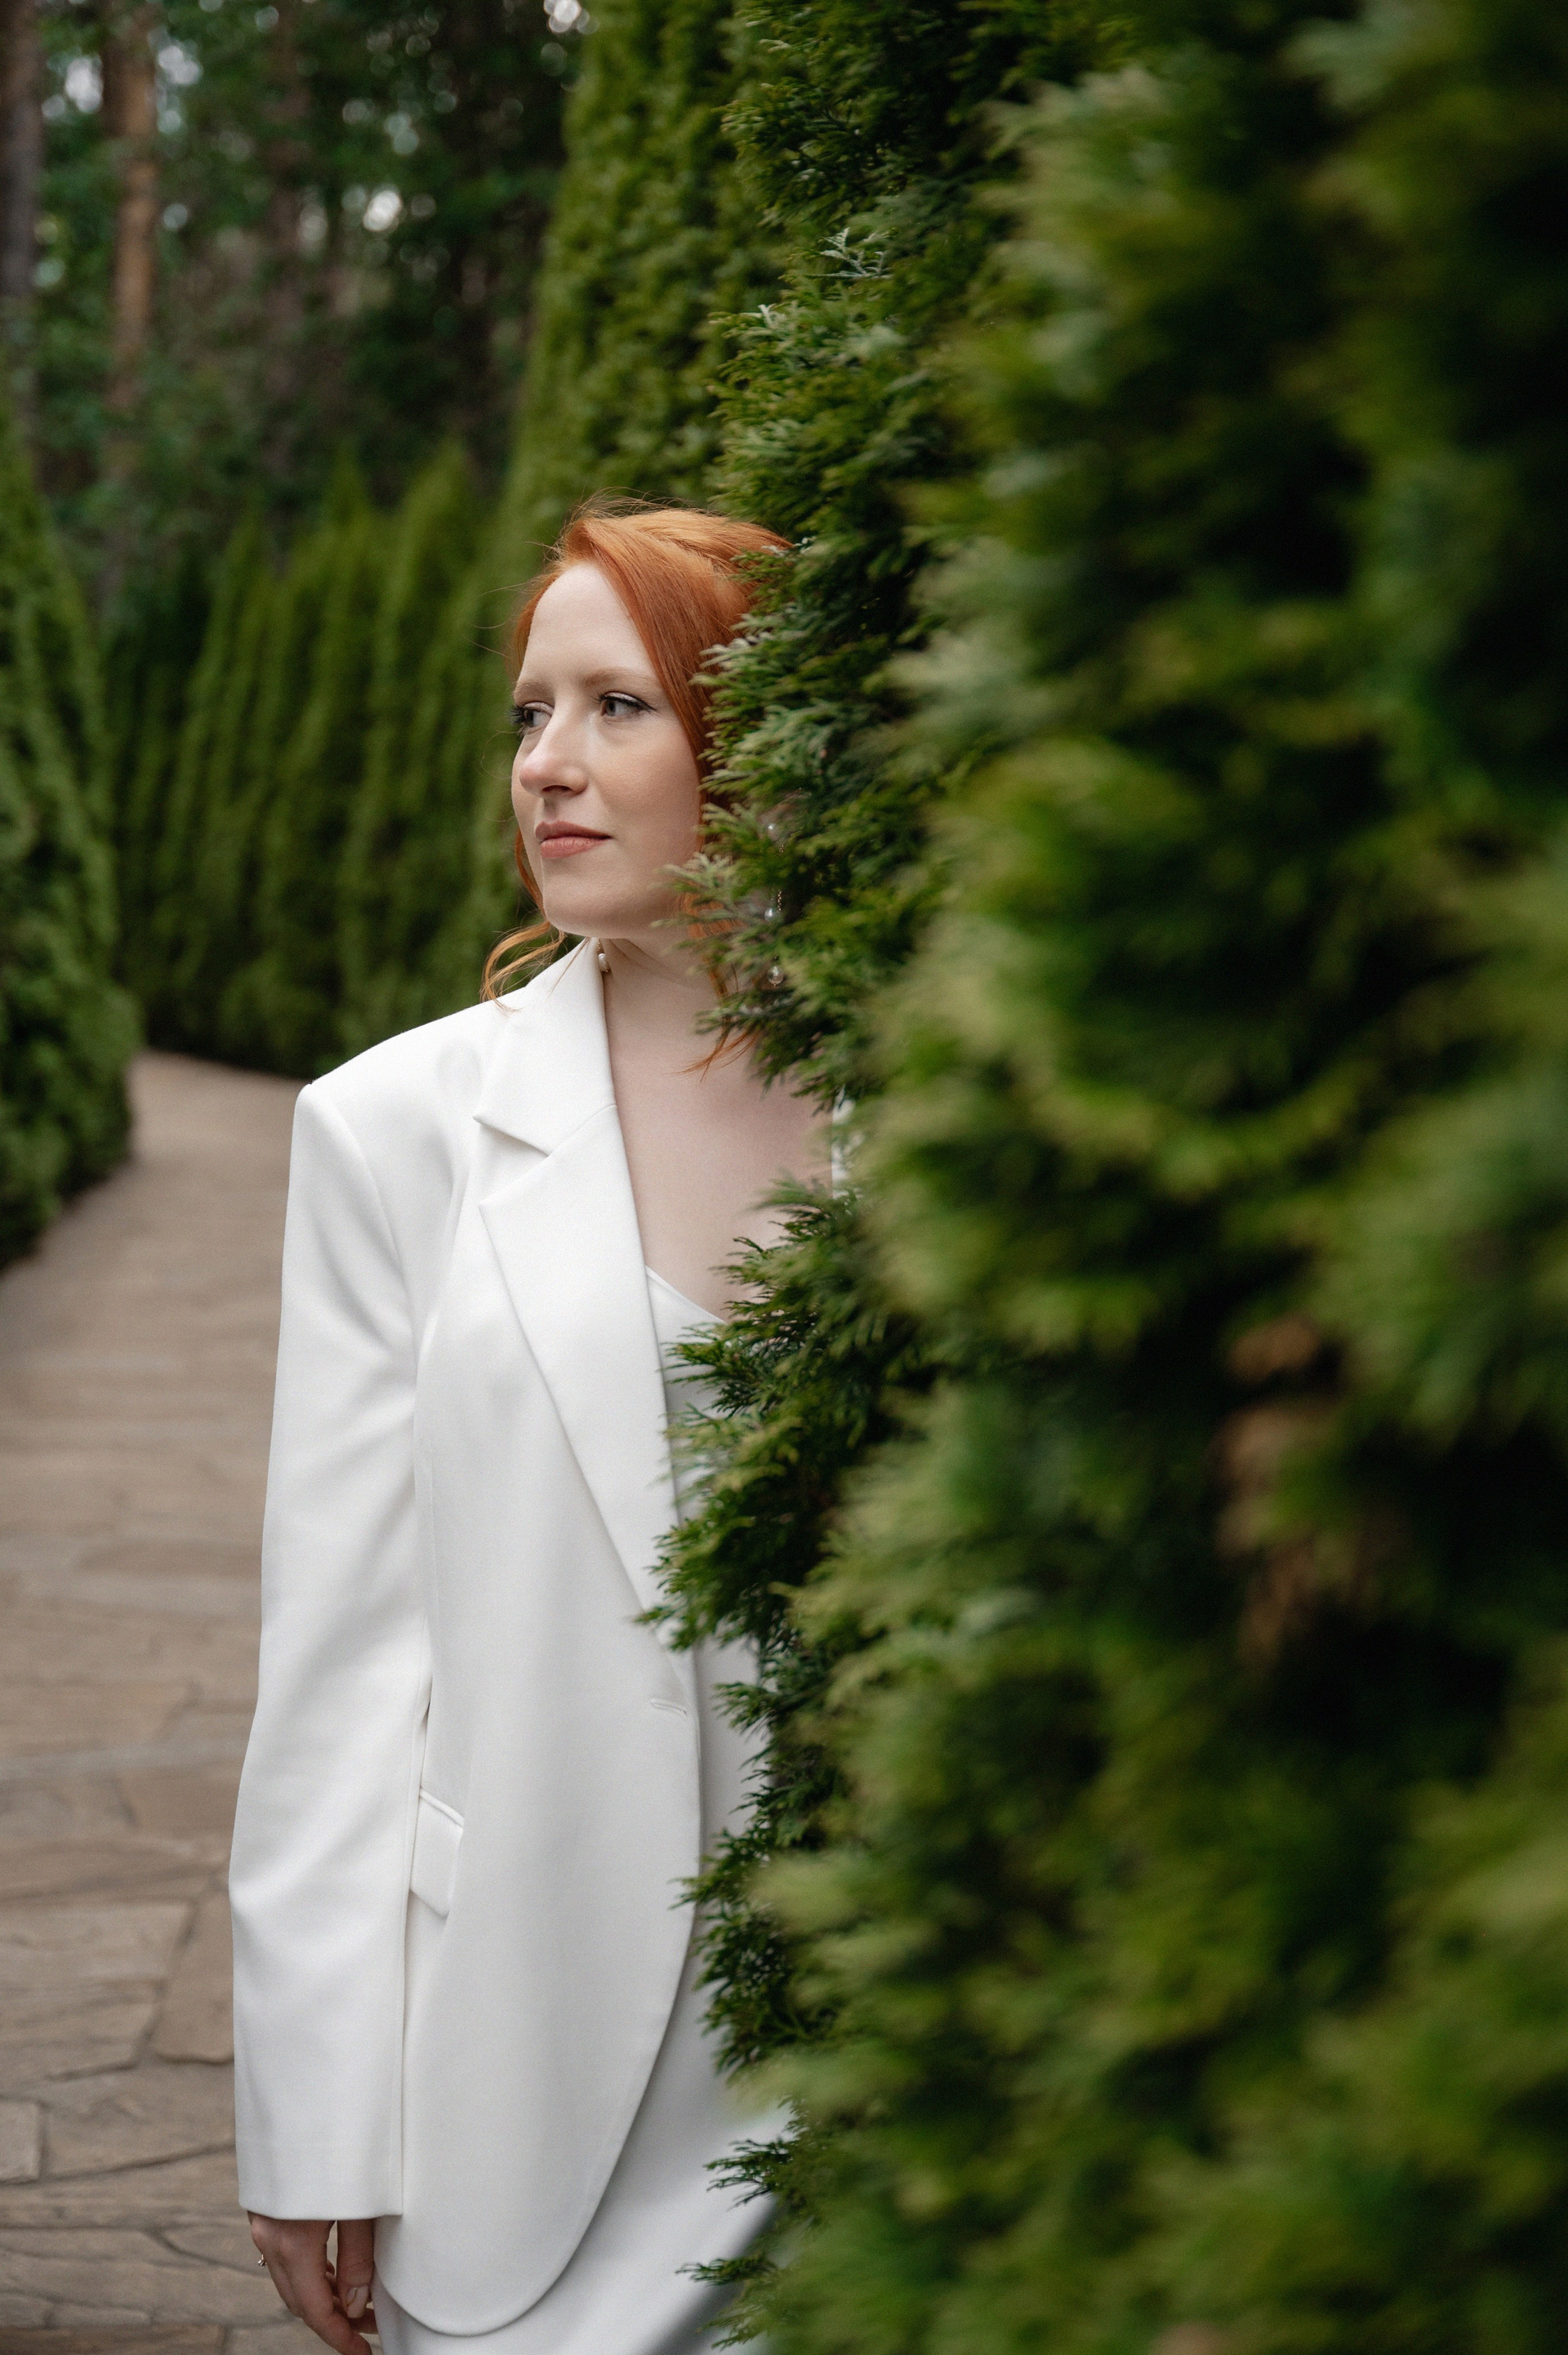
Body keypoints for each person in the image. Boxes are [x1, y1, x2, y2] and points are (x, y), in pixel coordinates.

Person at [231, 501, 818, 2355]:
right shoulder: (390, 1131)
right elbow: (343, 1661)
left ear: (761, 739)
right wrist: (314, 2116)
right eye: (529, 712)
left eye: (616, 706)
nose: (546, 765)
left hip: (888, 2043)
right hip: (531, 2061)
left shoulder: (947, 1109)